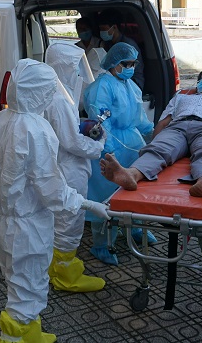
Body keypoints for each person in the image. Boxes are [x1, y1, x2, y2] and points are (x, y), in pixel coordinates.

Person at [0, 59, 110, 343]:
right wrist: (87, 204)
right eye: (49, 90)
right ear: (38, 92)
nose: (52, 95)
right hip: (28, 224)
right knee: (29, 286)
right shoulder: (35, 129)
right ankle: (15, 338)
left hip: (2, 218)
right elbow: (51, 189)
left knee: (17, 281)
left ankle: (29, 332)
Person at [100, 67, 202, 198]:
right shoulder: (181, 97)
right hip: (177, 127)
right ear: (197, 85)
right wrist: (154, 142)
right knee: (158, 148)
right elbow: (164, 122)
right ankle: (132, 174)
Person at [83, 42, 155, 265]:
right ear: (114, 63)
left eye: (133, 64)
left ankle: (133, 228)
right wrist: (109, 150)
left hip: (132, 141)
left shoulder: (130, 85)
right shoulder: (101, 87)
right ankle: (102, 244)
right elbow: (100, 121)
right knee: (107, 196)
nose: (130, 68)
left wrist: (153, 132)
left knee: (134, 190)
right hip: (110, 144)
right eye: (126, 64)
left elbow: (139, 116)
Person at [43, 43, 106, 293]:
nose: (79, 72)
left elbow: (64, 130)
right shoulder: (59, 99)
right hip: (68, 168)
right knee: (70, 219)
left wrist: (81, 125)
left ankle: (56, 267)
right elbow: (71, 142)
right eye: (74, 67)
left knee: (60, 219)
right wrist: (98, 145)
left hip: (61, 165)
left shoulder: (56, 92)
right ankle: (66, 276)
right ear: (63, 67)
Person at [98, 8, 145, 90]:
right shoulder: (107, 44)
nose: (102, 32)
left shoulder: (128, 46)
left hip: (132, 82)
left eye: (104, 29)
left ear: (114, 27)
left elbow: (132, 71)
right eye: (100, 29)